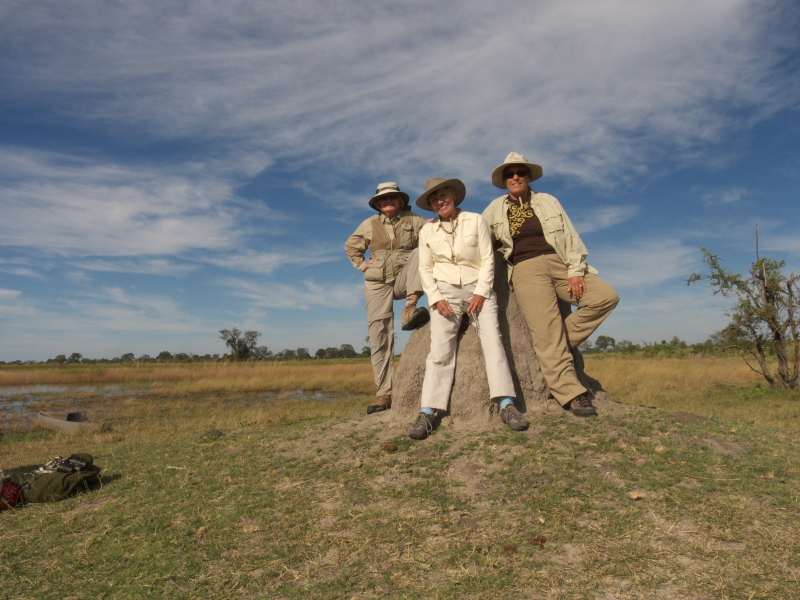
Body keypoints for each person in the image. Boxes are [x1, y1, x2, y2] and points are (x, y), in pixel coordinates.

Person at [482, 152, 619, 417]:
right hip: (525, 269)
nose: (515, 177)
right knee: (546, 329)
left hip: (561, 263)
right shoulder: (495, 208)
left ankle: (555, 346)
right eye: (510, 174)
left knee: (606, 297)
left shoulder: (548, 200)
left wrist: (575, 271)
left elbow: (570, 236)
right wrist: (442, 224)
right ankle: (572, 394)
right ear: (505, 180)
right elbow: (476, 235)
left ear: (529, 176)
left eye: (520, 172)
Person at [409, 177, 528, 440]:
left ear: (453, 195)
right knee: (440, 349)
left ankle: (506, 404)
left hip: (477, 287)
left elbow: (487, 258)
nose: (439, 201)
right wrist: (436, 298)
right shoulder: (427, 231)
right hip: (445, 290)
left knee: (493, 341)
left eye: (443, 195)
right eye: (434, 199)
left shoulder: (475, 220)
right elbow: (425, 269)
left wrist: (482, 292)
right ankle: (428, 411)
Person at [346, 182, 430, 415]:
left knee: (420, 252)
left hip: (405, 280)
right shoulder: (369, 224)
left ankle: (411, 307)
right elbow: (351, 246)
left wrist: (436, 224)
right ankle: (384, 393)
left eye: (393, 197)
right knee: (379, 334)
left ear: (400, 200)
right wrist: (363, 265)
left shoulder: (415, 219)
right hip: (378, 283)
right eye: (383, 199)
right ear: (378, 203)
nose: (388, 201)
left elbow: (433, 235)